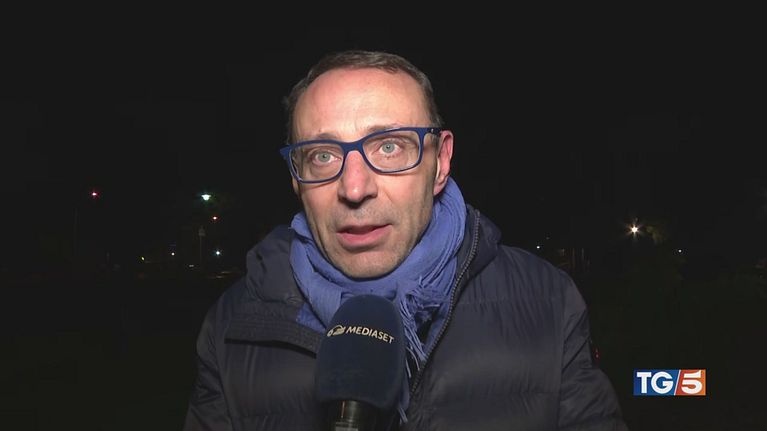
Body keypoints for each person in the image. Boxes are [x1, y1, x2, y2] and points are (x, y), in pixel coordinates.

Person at [183, 50, 628, 430]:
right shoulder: (231, 327)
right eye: (322, 155)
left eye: (389, 147)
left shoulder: (548, 301)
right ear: (296, 179)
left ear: (441, 162)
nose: (354, 188)